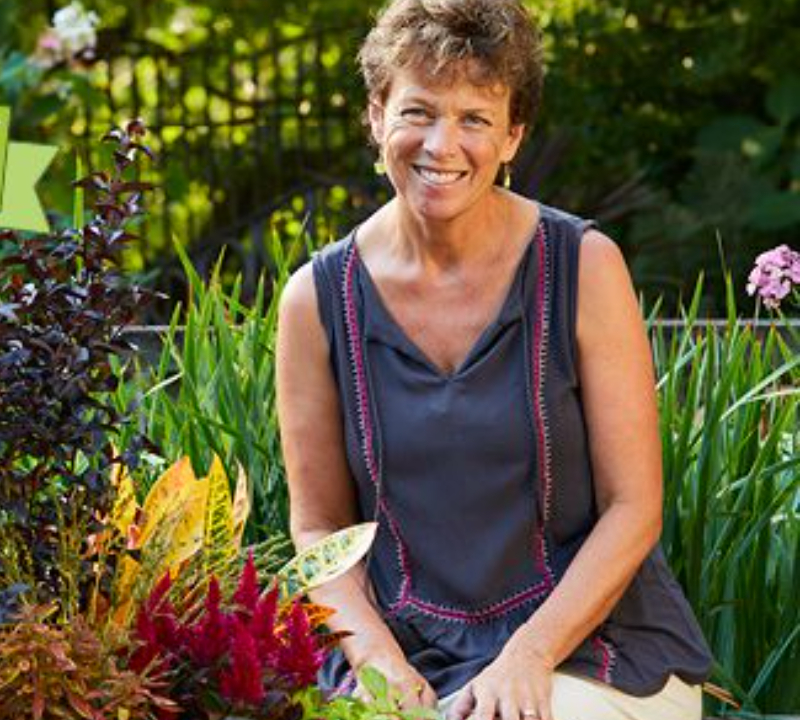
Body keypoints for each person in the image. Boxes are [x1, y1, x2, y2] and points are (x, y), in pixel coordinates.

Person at [274, 1, 713, 719]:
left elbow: (633, 509)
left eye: (474, 118)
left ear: (513, 136)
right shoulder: (316, 299)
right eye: (418, 111)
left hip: (590, 649)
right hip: (401, 653)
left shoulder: (583, 266)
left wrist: (530, 657)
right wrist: (380, 666)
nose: (441, 144)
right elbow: (320, 530)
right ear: (377, 117)